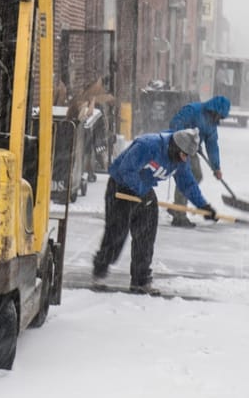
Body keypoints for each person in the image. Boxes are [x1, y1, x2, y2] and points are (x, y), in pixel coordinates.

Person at [92, 128, 218, 294]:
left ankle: (140, 280)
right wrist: (141, 190)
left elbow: (187, 184)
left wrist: (203, 206)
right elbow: (126, 170)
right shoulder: (148, 145)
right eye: (184, 155)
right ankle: (100, 269)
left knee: (146, 234)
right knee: (116, 233)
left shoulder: (180, 160)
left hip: (144, 190)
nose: (185, 159)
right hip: (120, 188)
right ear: (175, 147)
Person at [167, 96, 231, 228]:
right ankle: (179, 215)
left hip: (191, 150)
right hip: (177, 146)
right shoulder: (193, 110)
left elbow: (212, 146)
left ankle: (178, 206)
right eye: (219, 116)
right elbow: (175, 124)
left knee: (196, 175)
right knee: (186, 177)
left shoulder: (212, 124)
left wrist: (216, 167)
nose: (219, 119)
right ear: (214, 110)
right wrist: (188, 138)